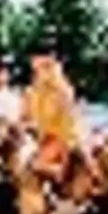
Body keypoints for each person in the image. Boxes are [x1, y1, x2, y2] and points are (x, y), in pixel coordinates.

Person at [23, 51, 82, 184]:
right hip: (38, 138)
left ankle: (58, 175)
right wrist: (28, 128)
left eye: (45, 66)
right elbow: (24, 118)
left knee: (34, 164)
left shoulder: (63, 92)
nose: (39, 72)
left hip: (60, 139)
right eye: (36, 69)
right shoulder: (30, 92)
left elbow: (67, 125)